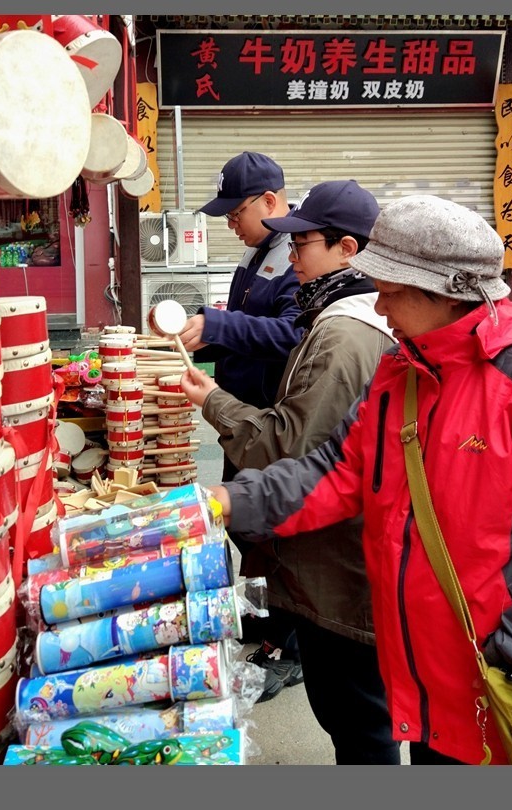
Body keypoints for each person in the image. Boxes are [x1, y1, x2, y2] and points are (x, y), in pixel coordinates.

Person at [206, 194, 512, 765]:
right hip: (429, 691)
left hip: (507, 696)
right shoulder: (405, 371)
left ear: (445, 292)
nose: (378, 304)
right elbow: (338, 473)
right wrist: (226, 501)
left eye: (391, 291)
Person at [181, 180, 398, 764]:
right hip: (340, 557)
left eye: (303, 246)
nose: (292, 258)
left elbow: (291, 448)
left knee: (358, 719)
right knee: (351, 714)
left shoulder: (345, 333)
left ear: (347, 249)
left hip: (343, 568)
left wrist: (213, 401)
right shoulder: (334, 312)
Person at [188, 151, 306, 700]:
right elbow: (248, 324)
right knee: (243, 528)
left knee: (271, 536)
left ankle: (288, 644)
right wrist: (209, 334)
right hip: (242, 419)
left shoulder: (296, 260)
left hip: (272, 423)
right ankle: (259, 625)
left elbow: (289, 336)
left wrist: (218, 324)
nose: (230, 224)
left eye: (235, 213)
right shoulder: (258, 253)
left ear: (270, 201)